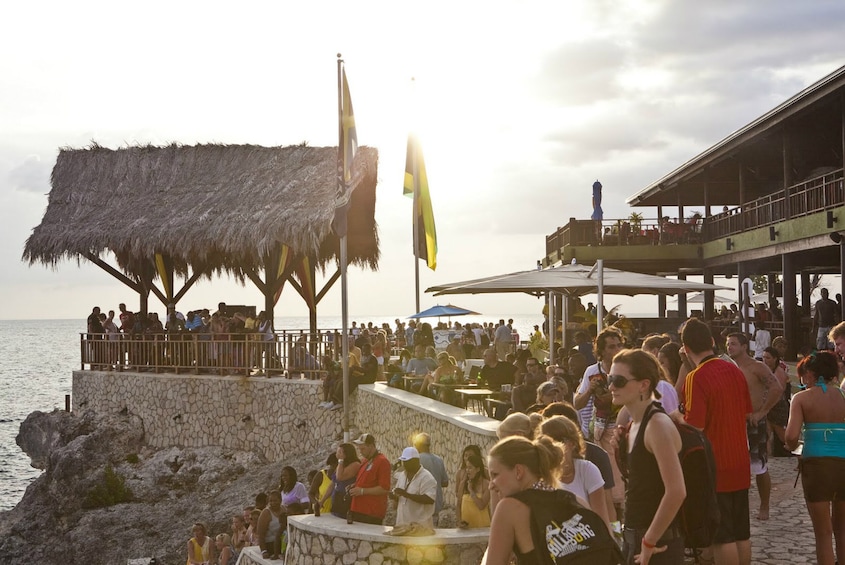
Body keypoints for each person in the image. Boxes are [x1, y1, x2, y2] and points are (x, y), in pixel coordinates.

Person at [677, 318, 752, 565]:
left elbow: (696, 424)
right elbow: (745, 412)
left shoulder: (696, 377)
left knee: (723, 535)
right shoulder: (734, 371)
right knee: (741, 530)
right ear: (712, 341)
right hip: (740, 458)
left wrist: (675, 416)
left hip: (715, 464)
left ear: (685, 349)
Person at [610, 349, 686, 565]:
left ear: (644, 385)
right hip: (638, 536)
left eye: (619, 380)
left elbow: (676, 491)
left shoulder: (657, 425)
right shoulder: (636, 424)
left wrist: (649, 541)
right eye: (610, 379)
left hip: (657, 542)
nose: (611, 386)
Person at [785, 351, 845, 565]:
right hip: (844, 465)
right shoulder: (843, 396)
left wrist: (792, 446)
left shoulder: (801, 398)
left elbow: (791, 435)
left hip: (817, 467)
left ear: (810, 374)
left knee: (823, 533)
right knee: (842, 530)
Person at [725, 332, 783, 521]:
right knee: (733, 465)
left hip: (753, 421)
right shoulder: (727, 367)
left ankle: (764, 505)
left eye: (733, 344)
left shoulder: (756, 367)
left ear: (744, 346)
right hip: (733, 422)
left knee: (759, 466)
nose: (729, 347)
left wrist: (762, 412)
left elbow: (776, 388)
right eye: (728, 344)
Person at [539, 416, 611, 534]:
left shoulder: (587, 470)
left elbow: (602, 521)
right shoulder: (539, 476)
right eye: (544, 441)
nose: (551, 446)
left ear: (572, 443)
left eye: (557, 440)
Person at [348, 433, 391, 524]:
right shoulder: (365, 460)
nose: (360, 452)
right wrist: (354, 486)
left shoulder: (382, 462)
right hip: (358, 509)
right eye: (359, 449)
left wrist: (362, 491)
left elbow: (384, 488)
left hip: (371, 512)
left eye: (363, 449)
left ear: (371, 446)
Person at [392, 447, 437, 527]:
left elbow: (429, 499)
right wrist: (395, 497)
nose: (404, 464)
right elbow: (399, 498)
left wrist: (407, 495)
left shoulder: (427, 477)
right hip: (402, 525)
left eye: (407, 462)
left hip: (420, 528)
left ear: (415, 461)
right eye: (403, 462)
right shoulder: (402, 475)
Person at [761, 346, 791, 457]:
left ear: (775, 358)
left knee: (781, 434)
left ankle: (796, 452)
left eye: (768, 358)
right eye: (763, 357)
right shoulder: (765, 369)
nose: (765, 360)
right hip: (768, 405)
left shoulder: (779, 372)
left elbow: (779, 392)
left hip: (777, 406)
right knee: (767, 432)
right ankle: (768, 455)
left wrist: (767, 406)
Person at [413, 433, 449, 521]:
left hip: (421, 505)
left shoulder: (416, 459)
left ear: (418, 445)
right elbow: (445, 482)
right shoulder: (439, 460)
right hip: (436, 504)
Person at [323, 443, 361, 519]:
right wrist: (322, 500)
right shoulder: (341, 465)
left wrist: (340, 460)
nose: (337, 454)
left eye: (340, 452)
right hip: (337, 500)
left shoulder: (355, 464)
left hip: (346, 500)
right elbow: (333, 483)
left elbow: (339, 477)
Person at [456, 452, 491, 528]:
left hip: (482, 527)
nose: (467, 470)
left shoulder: (486, 484)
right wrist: (459, 521)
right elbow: (458, 505)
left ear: (478, 469)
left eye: (470, 468)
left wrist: (471, 491)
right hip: (466, 528)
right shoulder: (463, 483)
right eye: (467, 468)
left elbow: (481, 506)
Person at [256, 489, 285, 559]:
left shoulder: (284, 509)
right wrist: (263, 551)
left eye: (275, 501)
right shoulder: (266, 513)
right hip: (270, 545)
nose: (273, 503)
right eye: (271, 501)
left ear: (280, 500)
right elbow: (260, 534)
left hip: (282, 542)